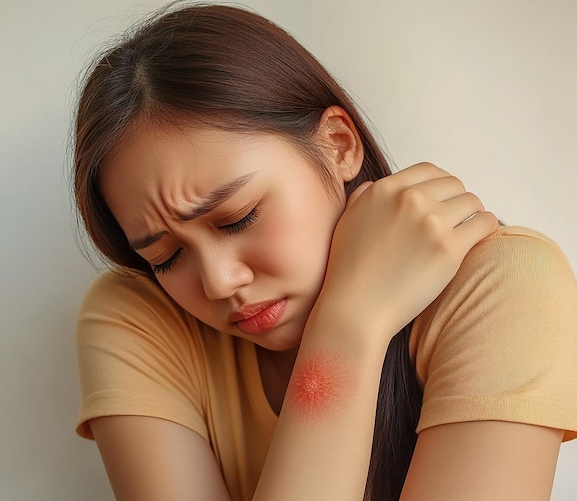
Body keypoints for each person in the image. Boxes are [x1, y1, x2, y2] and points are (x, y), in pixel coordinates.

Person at [71, 3, 577, 500]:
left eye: (237, 218)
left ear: (338, 145)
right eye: (166, 256)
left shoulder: (502, 285)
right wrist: (351, 322)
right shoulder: (140, 317)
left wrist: (352, 317)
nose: (219, 282)